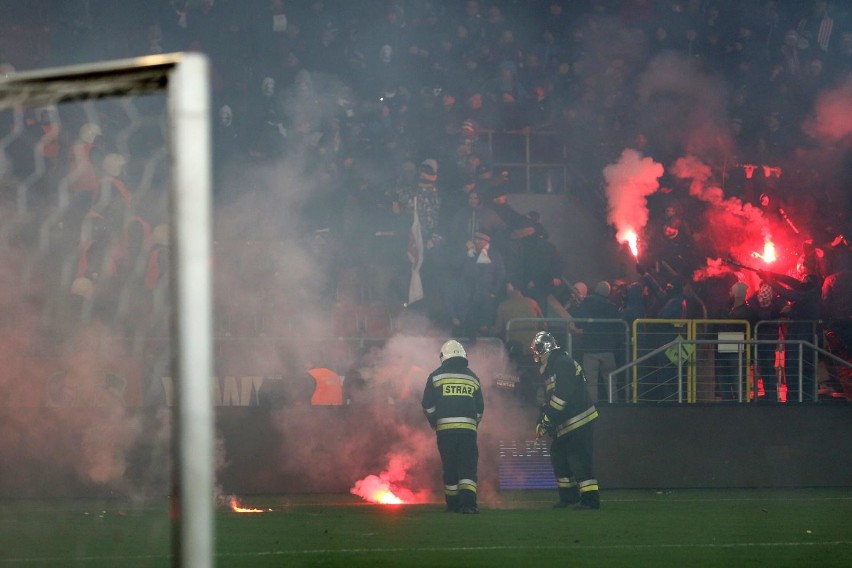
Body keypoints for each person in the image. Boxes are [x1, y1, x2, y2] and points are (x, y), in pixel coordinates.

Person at [531, 331, 600, 510]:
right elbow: (551, 400)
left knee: (579, 459)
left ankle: (590, 500)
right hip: (566, 423)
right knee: (559, 458)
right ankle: (568, 498)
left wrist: (546, 421)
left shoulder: (562, 363)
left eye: (537, 349)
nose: (535, 354)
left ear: (544, 348)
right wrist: (543, 418)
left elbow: (561, 397)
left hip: (579, 420)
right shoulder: (553, 366)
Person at [422, 340, 484, 514]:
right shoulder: (472, 377)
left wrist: (436, 422)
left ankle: (453, 505)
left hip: (445, 432)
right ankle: (469, 505)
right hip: (468, 432)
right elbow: (480, 408)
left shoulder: (436, 376)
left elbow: (427, 405)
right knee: (467, 467)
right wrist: (473, 424)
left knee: (450, 466)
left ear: (443, 357)